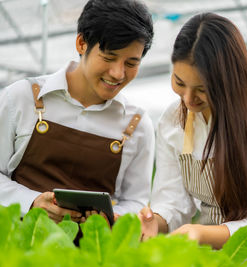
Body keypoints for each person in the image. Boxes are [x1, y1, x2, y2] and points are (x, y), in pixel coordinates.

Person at [139, 13, 247, 250]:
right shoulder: (172, 121)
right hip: (218, 249)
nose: (187, 99)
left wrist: (200, 232)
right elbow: (172, 203)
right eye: (179, 82)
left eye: (202, 89)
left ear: (227, 82)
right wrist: (153, 221)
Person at [0, 0, 154, 224]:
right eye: (109, 57)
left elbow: (137, 201)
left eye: (131, 63)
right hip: (18, 249)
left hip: (93, 253)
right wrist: (31, 202)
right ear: (82, 43)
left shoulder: (137, 124)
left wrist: (112, 217)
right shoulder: (22, 97)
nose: (118, 73)